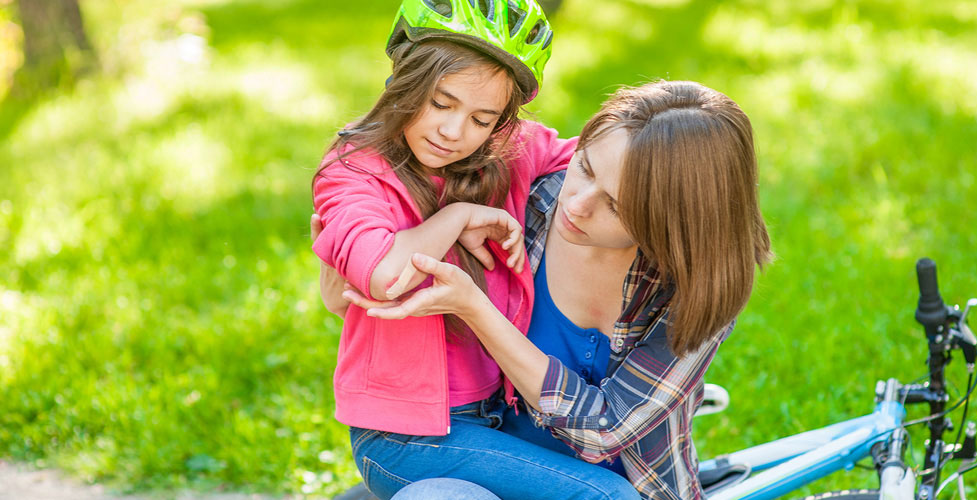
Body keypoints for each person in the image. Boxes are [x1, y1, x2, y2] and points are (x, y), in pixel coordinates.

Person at [326, 80, 774, 500]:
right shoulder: (527, 202)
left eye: (616, 205)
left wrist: (477, 309)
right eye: (585, 167)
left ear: (671, 221)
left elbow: (605, 430)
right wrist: (335, 254)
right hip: (485, 468)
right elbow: (378, 267)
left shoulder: (699, 284)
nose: (576, 204)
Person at [312, 1, 639, 499]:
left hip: (497, 415)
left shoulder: (505, 151)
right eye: (441, 103)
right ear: (405, 78)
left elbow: (602, 164)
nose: (453, 132)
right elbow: (384, 273)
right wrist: (456, 217)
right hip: (405, 439)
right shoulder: (353, 170)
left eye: (481, 119)